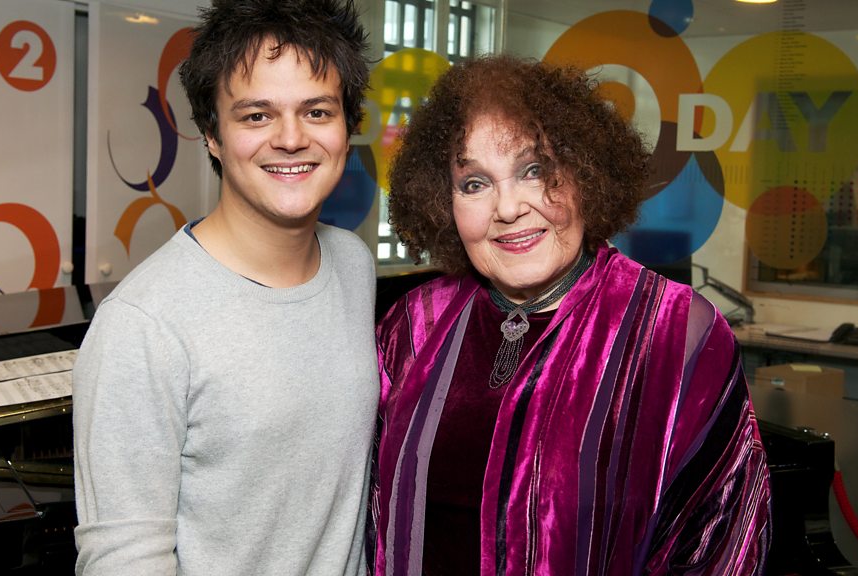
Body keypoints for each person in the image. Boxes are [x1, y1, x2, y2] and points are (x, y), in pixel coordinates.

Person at [372, 55, 771, 575]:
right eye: (474, 183)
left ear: (585, 175)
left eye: (533, 171)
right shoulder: (413, 325)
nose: (508, 208)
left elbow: (722, 546)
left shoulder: (676, 333)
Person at [72, 1, 378, 574]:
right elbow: (124, 560)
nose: (291, 139)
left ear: (347, 126)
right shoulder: (142, 324)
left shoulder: (353, 265)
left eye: (317, 111)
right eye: (257, 116)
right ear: (212, 134)